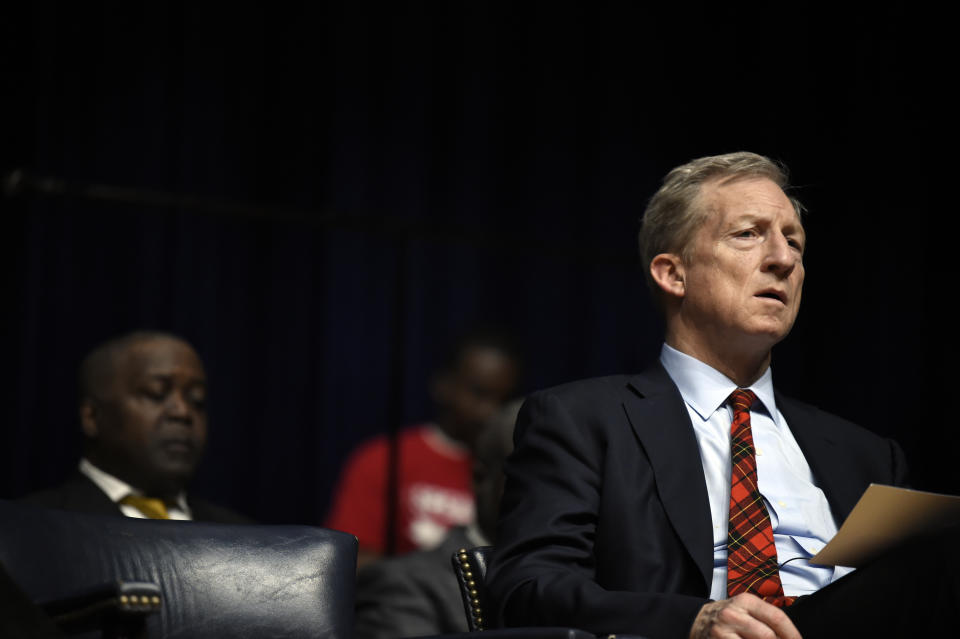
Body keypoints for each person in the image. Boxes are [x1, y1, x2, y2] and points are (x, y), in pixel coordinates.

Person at [486, 152, 953, 639]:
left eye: (794, 241)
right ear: (673, 274)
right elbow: (526, 589)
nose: (784, 259)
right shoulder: (581, 419)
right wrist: (693, 620)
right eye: (748, 234)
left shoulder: (868, 455)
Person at [325, 327, 520, 567]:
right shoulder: (382, 459)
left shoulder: (513, 471)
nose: (489, 411)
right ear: (443, 385)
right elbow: (351, 563)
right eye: (478, 393)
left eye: (503, 399)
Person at [22, 330, 251, 523]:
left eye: (197, 400)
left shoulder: (245, 537)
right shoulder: (29, 525)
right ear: (91, 416)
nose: (183, 412)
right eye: (156, 394)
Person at [353, 398, 522, 639]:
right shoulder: (404, 587)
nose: (550, 498)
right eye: (530, 479)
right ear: (480, 478)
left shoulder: (580, 582)